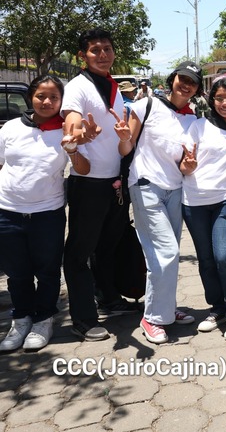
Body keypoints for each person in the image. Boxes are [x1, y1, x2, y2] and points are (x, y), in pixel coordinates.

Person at [0, 76, 89, 352]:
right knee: (17, 274)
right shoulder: (10, 128)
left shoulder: (67, 130)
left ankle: (43, 320)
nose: (47, 101)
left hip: (47, 214)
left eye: (54, 97)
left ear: (62, 101)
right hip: (8, 213)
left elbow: (83, 168)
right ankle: (21, 319)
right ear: (31, 97)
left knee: (48, 271)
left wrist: (73, 150)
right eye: (41, 96)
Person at [119, 61, 203, 344]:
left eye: (192, 82)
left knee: (167, 255)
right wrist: (123, 138)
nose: (186, 85)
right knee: (165, 252)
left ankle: (165, 308)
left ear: (197, 89)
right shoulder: (147, 106)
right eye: (182, 79)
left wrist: (188, 166)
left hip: (175, 189)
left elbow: (184, 164)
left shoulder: (192, 119)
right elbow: (126, 147)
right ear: (172, 79)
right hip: (146, 185)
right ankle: (152, 318)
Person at [62, 28, 134, 342]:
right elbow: (72, 126)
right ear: (83, 55)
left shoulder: (113, 86)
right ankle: (82, 318)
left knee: (107, 247)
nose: (103, 54)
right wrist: (80, 135)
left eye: (107, 48)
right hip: (88, 183)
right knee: (79, 252)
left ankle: (108, 298)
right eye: (95, 50)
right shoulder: (77, 87)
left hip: (114, 183)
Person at [182, 78, 226, 341]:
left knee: (224, 256)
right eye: (220, 98)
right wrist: (187, 166)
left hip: (225, 200)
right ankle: (217, 308)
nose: (225, 103)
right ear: (212, 101)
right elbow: (184, 164)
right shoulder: (198, 126)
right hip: (194, 203)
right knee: (206, 259)